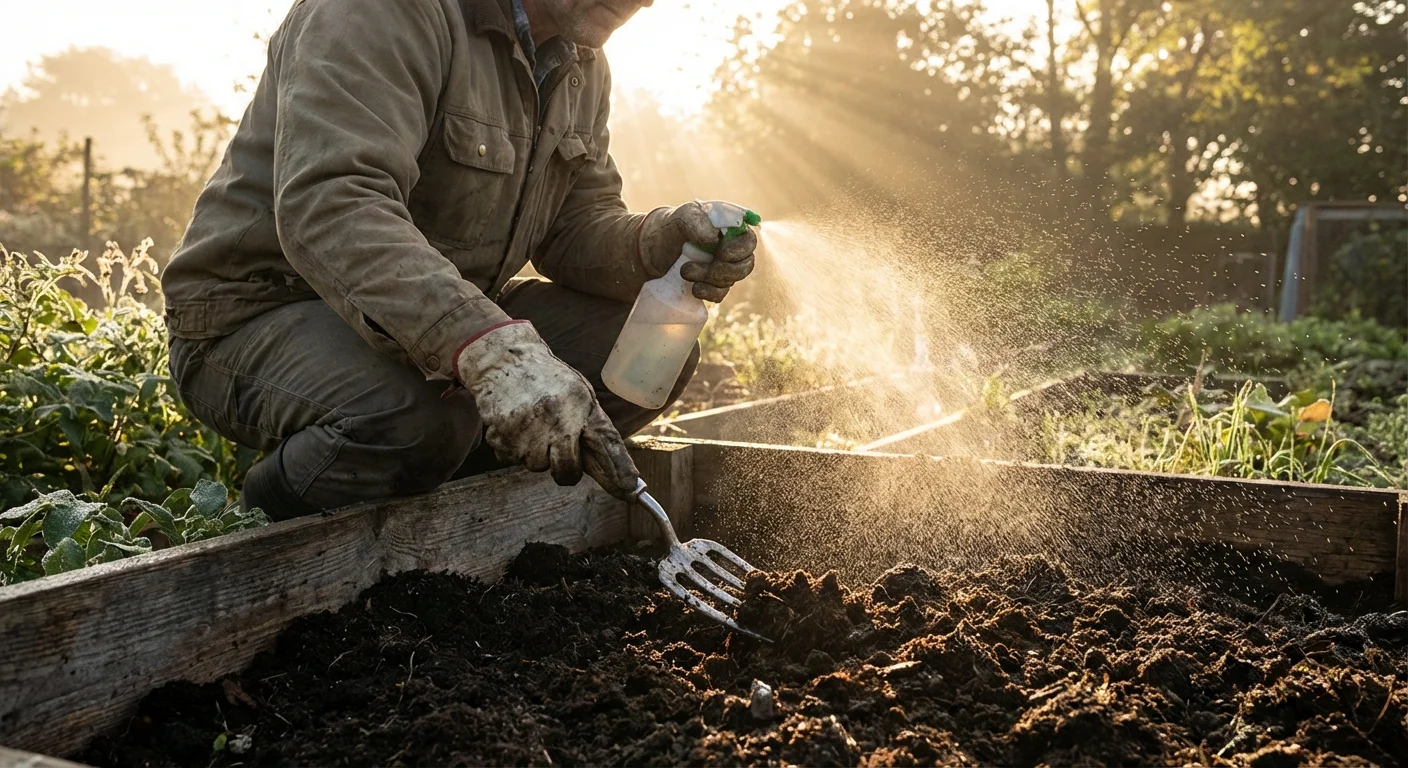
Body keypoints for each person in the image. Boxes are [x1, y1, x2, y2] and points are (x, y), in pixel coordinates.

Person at [159, 0, 758, 519]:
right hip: (259, 313)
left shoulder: (580, 63)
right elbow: (336, 206)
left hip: (431, 322)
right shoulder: (383, 14)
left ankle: (451, 526)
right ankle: (259, 523)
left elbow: (572, 226)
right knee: (416, 420)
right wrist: (490, 349)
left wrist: (658, 240)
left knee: (643, 354)